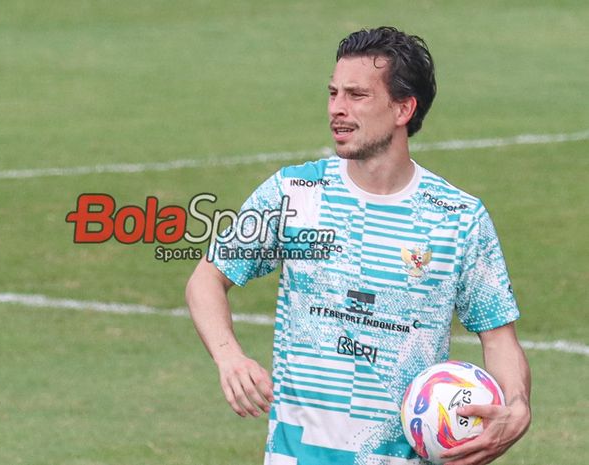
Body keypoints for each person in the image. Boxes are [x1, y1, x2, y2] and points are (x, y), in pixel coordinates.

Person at [186, 26, 531, 465]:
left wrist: (516, 406)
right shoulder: (295, 193)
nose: (337, 109)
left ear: (404, 107)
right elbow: (206, 280)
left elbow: (499, 337)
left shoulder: (457, 218)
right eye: (333, 93)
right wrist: (229, 357)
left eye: (356, 95)